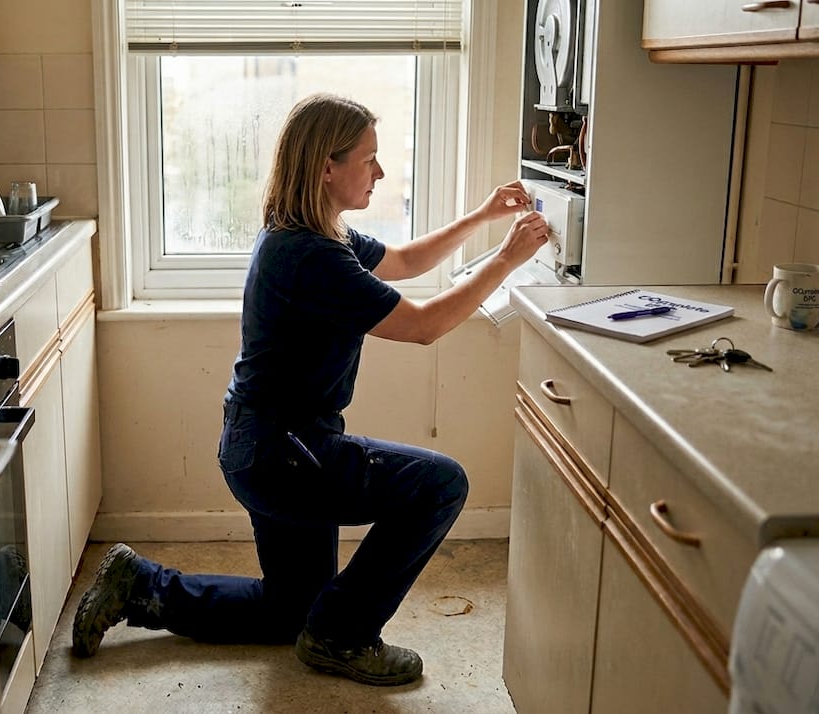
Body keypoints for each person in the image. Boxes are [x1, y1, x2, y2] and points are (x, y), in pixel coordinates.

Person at [71, 93, 551, 686]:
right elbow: (424, 326)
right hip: (284, 456)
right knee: (441, 483)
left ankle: (140, 585)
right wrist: (507, 259)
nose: (378, 172)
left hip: (266, 446)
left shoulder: (313, 235)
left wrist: (483, 218)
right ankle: (343, 637)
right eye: (369, 159)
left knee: (290, 609)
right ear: (327, 166)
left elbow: (403, 260)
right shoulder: (310, 257)